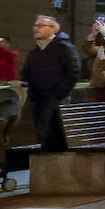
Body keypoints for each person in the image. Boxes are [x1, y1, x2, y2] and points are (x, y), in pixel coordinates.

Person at [17, 16, 80, 152]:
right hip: (39, 100)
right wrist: (23, 81)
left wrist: (59, 94)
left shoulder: (64, 47)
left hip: (56, 100)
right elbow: (26, 72)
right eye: (35, 25)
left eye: (41, 25)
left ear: (53, 29)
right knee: (42, 136)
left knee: (54, 136)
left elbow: (74, 72)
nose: (36, 28)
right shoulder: (35, 52)